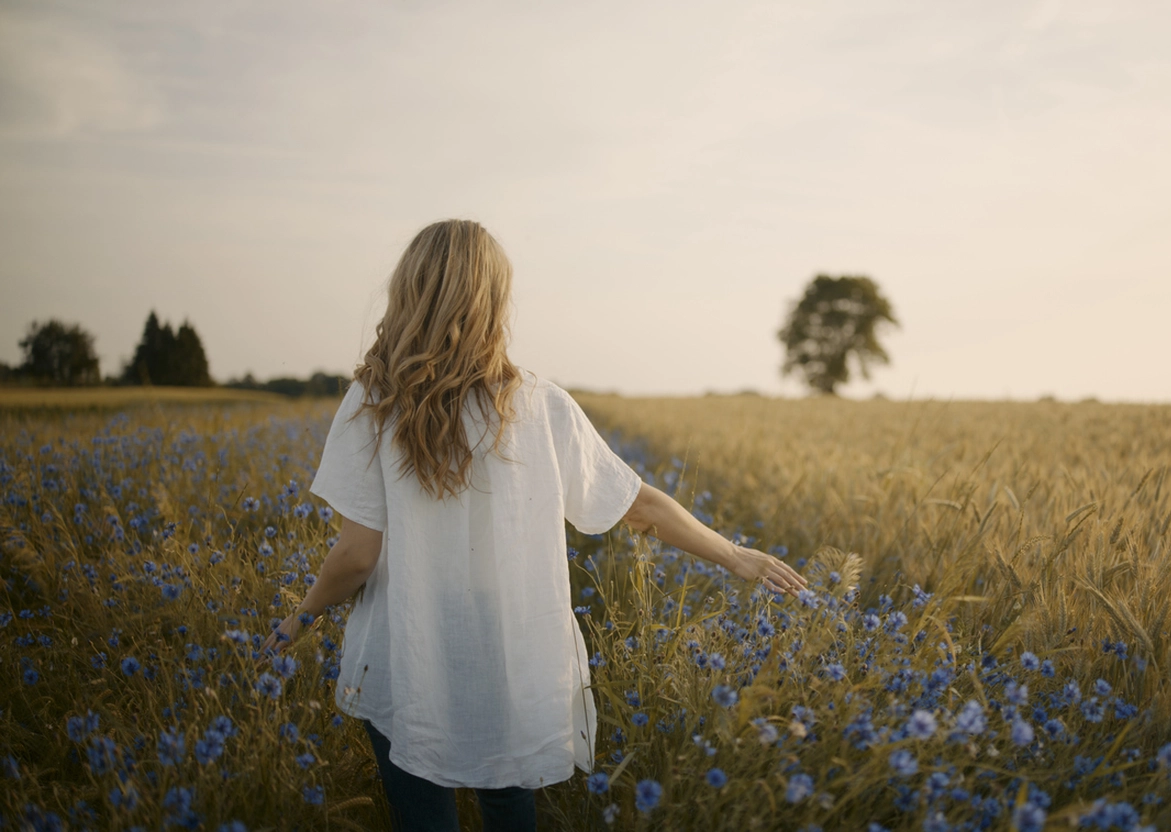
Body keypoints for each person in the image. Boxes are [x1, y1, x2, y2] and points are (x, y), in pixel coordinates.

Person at [266, 219, 806, 831]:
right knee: (508, 801)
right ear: (495, 302)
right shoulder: (540, 405)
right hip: (507, 646)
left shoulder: (373, 403)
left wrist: (301, 615)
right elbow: (639, 505)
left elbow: (358, 555)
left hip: (403, 644)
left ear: (409, 292)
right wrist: (734, 555)